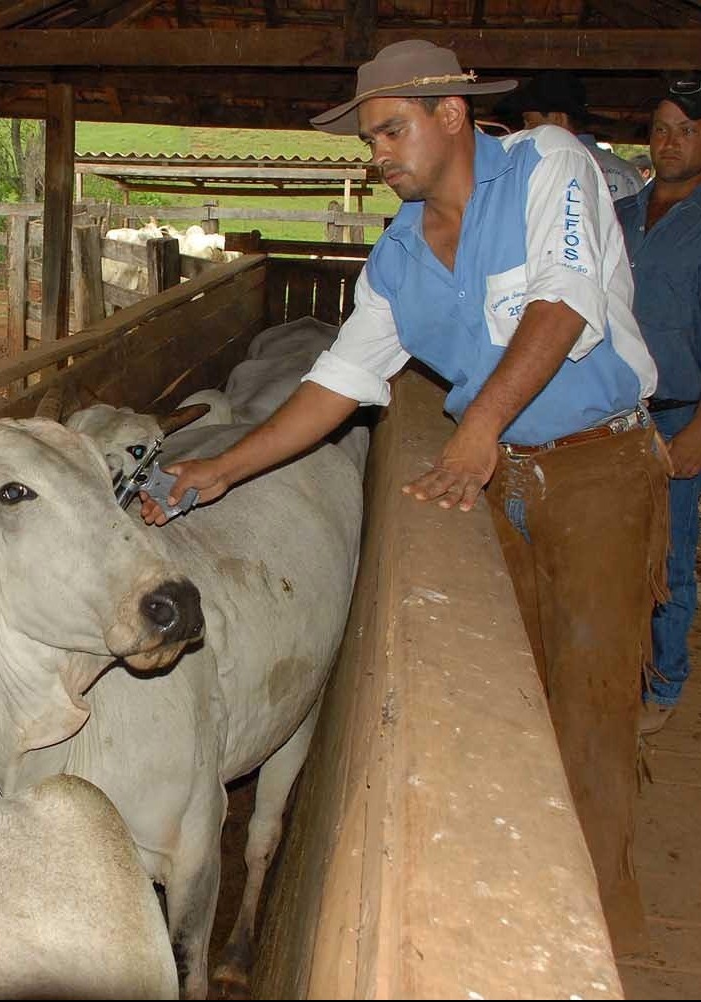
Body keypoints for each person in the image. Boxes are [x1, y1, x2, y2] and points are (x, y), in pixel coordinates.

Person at [142, 39, 668, 955]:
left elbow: (565, 302)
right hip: (496, 479)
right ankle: (514, 910)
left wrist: (478, 428)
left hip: (595, 470)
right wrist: (219, 470)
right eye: (369, 139)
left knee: (589, 711)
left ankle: (601, 941)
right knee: (518, 699)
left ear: (453, 115)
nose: (376, 153)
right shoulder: (395, 256)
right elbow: (338, 382)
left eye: (391, 130)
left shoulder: (550, 165)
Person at [616, 78, 701, 736]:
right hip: (619, 408)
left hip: (681, 410)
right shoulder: (622, 214)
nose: (671, 141)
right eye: (662, 128)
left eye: (688, 129)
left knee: (671, 551)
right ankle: (622, 663)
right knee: (619, 543)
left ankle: (666, 678)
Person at [500, 69, 645, 199]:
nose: (525, 131)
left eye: (529, 122)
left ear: (558, 118)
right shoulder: (626, 174)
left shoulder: (538, 170)